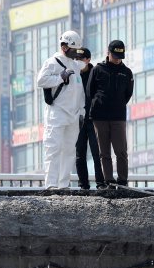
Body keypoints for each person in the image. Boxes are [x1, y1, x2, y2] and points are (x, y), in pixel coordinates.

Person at [36, 30, 85, 189]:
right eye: (73, 50)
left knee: (69, 150)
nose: (75, 53)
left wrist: (82, 112)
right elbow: (41, 80)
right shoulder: (52, 62)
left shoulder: (75, 65)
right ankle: (51, 185)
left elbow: (80, 90)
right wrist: (59, 78)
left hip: (73, 115)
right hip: (57, 113)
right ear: (64, 47)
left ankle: (64, 184)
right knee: (53, 149)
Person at [86, 40, 134, 187]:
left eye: (120, 56)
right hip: (99, 117)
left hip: (118, 117)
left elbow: (128, 94)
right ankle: (109, 181)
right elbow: (90, 91)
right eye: (115, 55)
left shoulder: (127, 72)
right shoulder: (98, 69)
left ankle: (123, 181)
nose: (118, 59)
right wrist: (98, 104)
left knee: (121, 151)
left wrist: (117, 104)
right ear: (108, 53)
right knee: (104, 152)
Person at [73, 47, 106, 190]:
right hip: (77, 119)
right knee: (79, 154)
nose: (78, 62)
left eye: (81, 59)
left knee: (97, 153)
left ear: (88, 60)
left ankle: (100, 183)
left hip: (93, 119)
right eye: (76, 59)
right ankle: (83, 185)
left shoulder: (96, 74)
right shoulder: (73, 75)